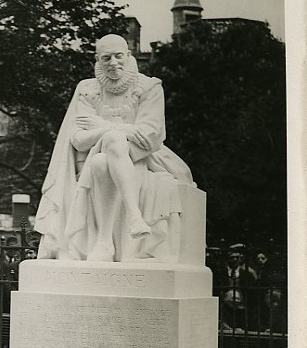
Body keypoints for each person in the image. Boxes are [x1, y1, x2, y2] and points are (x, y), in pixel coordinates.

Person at [34, 34, 194, 263]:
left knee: (110, 146)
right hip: (96, 158)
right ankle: (133, 217)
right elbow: (78, 139)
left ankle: (105, 242)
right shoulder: (88, 89)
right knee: (106, 151)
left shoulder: (149, 86)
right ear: (97, 60)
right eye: (106, 58)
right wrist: (121, 130)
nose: (113, 63)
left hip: (144, 157)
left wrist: (104, 127)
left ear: (128, 56)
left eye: (118, 56)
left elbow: (151, 135)